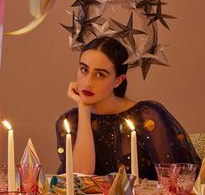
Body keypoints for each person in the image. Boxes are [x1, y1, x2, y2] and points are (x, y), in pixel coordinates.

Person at [56, 37, 201, 179]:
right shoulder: (70, 121)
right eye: (84, 70)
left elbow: (179, 180)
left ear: (118, 81)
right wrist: (83, 109)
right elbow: (80, 178)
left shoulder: (147, 116)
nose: (87, 83)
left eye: (100, 74)